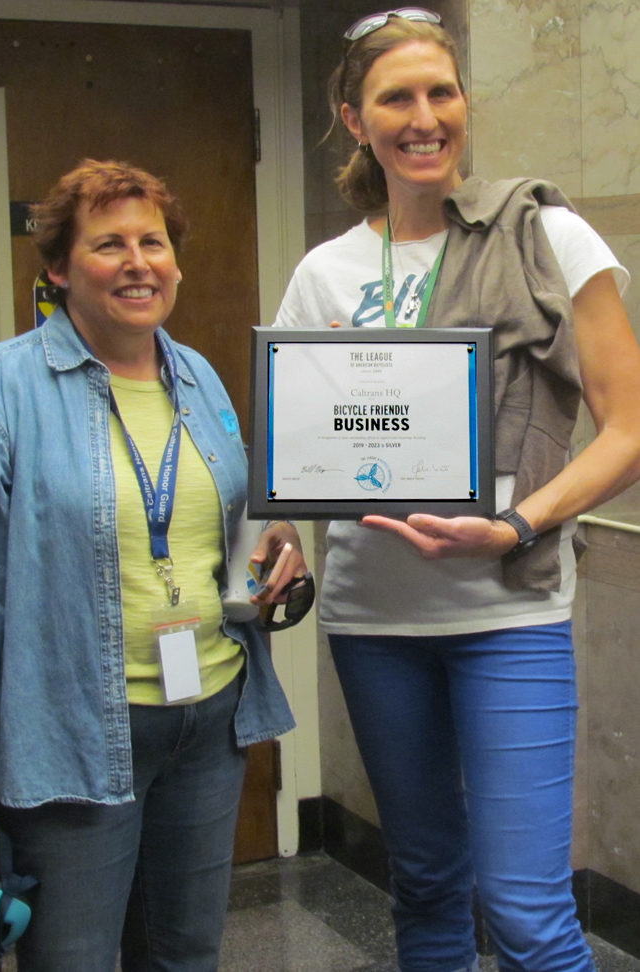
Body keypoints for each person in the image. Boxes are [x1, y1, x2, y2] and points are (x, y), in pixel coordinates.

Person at [274, 9, 640, 972]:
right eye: (395, 98)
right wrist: (276, 527)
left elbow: (630, 430)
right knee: (427, 887)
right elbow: (294, 451)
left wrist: (515, 523)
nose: (423, 117)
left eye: (441, 92)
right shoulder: (323, 274)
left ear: (465, 103)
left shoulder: (546, 235)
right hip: (372, 621)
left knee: (526, 913)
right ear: (354, 120)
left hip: (507, 613)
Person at [0, 158, 310, 971]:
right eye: (108, 244)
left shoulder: (197, 378)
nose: (137, 263)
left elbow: (229, 519)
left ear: (176, 262)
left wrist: (276, 545)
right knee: (73, 958)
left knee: (183, 954)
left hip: (209, 716)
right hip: (72, 729)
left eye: (152, 242)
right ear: (58, 269)